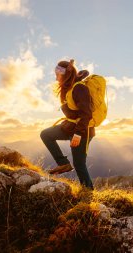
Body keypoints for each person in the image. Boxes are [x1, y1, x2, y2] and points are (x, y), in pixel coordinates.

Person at [40, 59, 94, 189]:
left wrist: (78, 135)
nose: (56, 77)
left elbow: (86, 114)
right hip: (69, 127)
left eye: (57, 74)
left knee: (79, 164)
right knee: (46, 134)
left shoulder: (79, 88)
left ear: (65, 74)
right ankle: (63, 163)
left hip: (82, 131)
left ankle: (88, 193)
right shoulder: (68, 87)